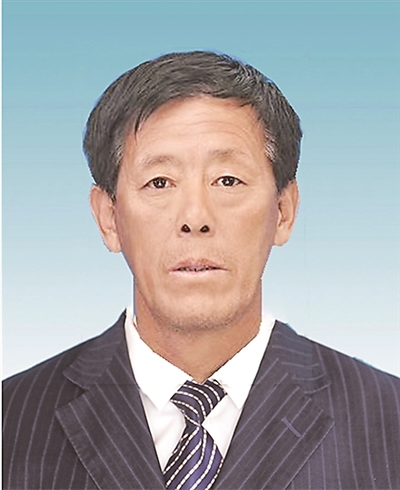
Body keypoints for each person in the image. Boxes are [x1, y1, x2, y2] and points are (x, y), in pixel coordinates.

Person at [3, 51, 399, 490]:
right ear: (109, 218)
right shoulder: (11, 419)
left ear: (284, 211)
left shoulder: (389, 418)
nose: (195, 217)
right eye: (160, 182)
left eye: (227, 180)